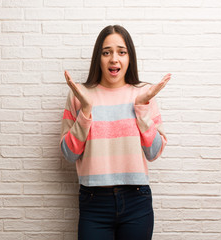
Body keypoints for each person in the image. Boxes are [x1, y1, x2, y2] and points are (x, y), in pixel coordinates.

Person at [60, 25, 171, 240]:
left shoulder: (144, 94)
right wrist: (85, 111)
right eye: (106, 52)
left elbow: (153, 152)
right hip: (94, 202)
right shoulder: (79, 95)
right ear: (98, 57)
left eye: (121, 52)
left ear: (130, 57)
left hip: (136, 201)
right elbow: (69, 153)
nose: (114, 59)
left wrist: (141, 108)